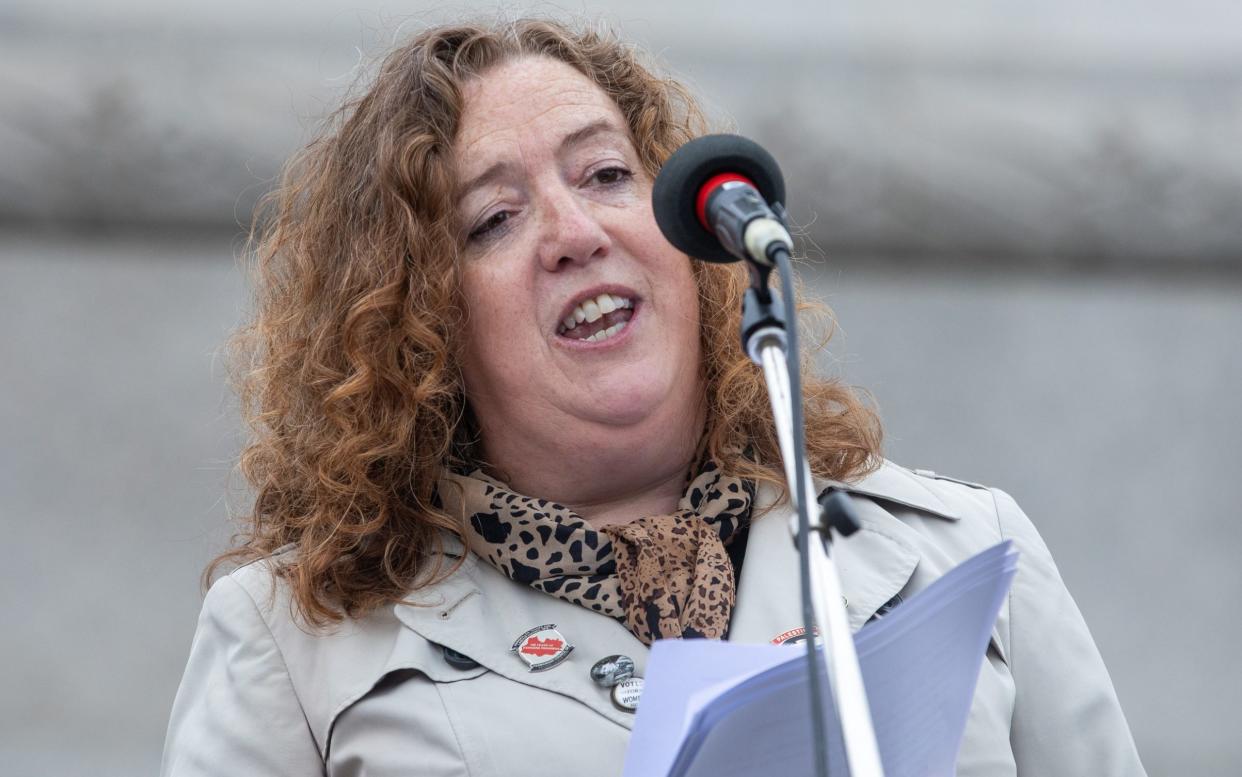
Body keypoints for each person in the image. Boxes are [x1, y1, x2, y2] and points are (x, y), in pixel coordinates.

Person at [161, 17, 1146, 777]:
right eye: (494, 218)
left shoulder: (963, 549)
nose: (574, 230)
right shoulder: (296, 640)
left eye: (605, 173)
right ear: (420, 326)